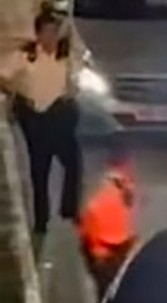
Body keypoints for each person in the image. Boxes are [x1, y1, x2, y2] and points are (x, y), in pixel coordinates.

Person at [6, 10, 81, 234]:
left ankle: (69, 210)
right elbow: (7, 76)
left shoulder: (66, 55)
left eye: (54, 32)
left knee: (73, 164)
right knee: (40, 172)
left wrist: (71, 92)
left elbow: (75, 78)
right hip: (38, 120)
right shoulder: (26, 57)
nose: (50, 37)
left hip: (60, 116)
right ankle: (41, 220)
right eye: (46, 32)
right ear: (38, 34)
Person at [78, 145, 137, 300]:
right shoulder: (116, 193)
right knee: (111, 297)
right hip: (108, 254)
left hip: (102, 254)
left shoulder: (106, 191)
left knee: (105, 297)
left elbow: (84, 236)